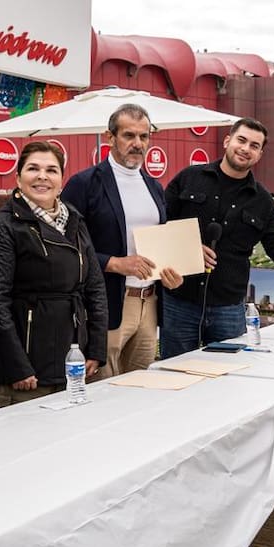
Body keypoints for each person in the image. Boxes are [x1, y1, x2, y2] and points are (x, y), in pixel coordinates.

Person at [160, 117, 274, 357]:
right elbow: (161, 224)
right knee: (173, 373)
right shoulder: (189, 178)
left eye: (254, 145)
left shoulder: (262, 201)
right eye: (241, 140)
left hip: (228, 309)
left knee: (228, 381)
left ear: (260, 155)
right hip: (180, 302)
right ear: (227, 141)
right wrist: (188, 247)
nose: (245, 148)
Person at [0, 141, 108, 405]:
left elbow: (95, 288)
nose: (42, 176)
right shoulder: (3, 226)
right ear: (18, 177)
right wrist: (17, 366)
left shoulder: (75, 220)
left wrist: (96, 348)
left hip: (72, 362)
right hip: (26, 371)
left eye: (51, 170)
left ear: (61, 179)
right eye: (32, 168)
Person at [60, 104, 181, 377]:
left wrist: (171, 272)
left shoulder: (154, 186)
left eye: (144, 136)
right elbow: (65, 244)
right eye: (129, 135)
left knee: (140, 390)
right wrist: (114, 263)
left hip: (148, 303)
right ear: (110, 137)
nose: (137, 144)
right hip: (109, 302)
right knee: (103, 391)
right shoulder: (84, 184)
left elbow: (159, 243)